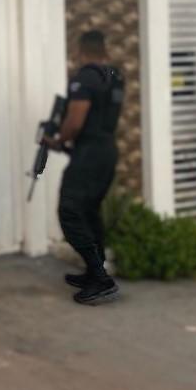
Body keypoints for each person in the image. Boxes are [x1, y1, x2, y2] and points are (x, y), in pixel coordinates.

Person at [44, 30, 124, 305]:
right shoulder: (114, 76)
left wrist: (58, 140)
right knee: (89, 213)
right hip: (107, 151)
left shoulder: (84, 79)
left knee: (70, 212)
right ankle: (94, 271)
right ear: (104, 49)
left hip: (89, 155)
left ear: (81, 51)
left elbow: (76, 121)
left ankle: (101, 280)